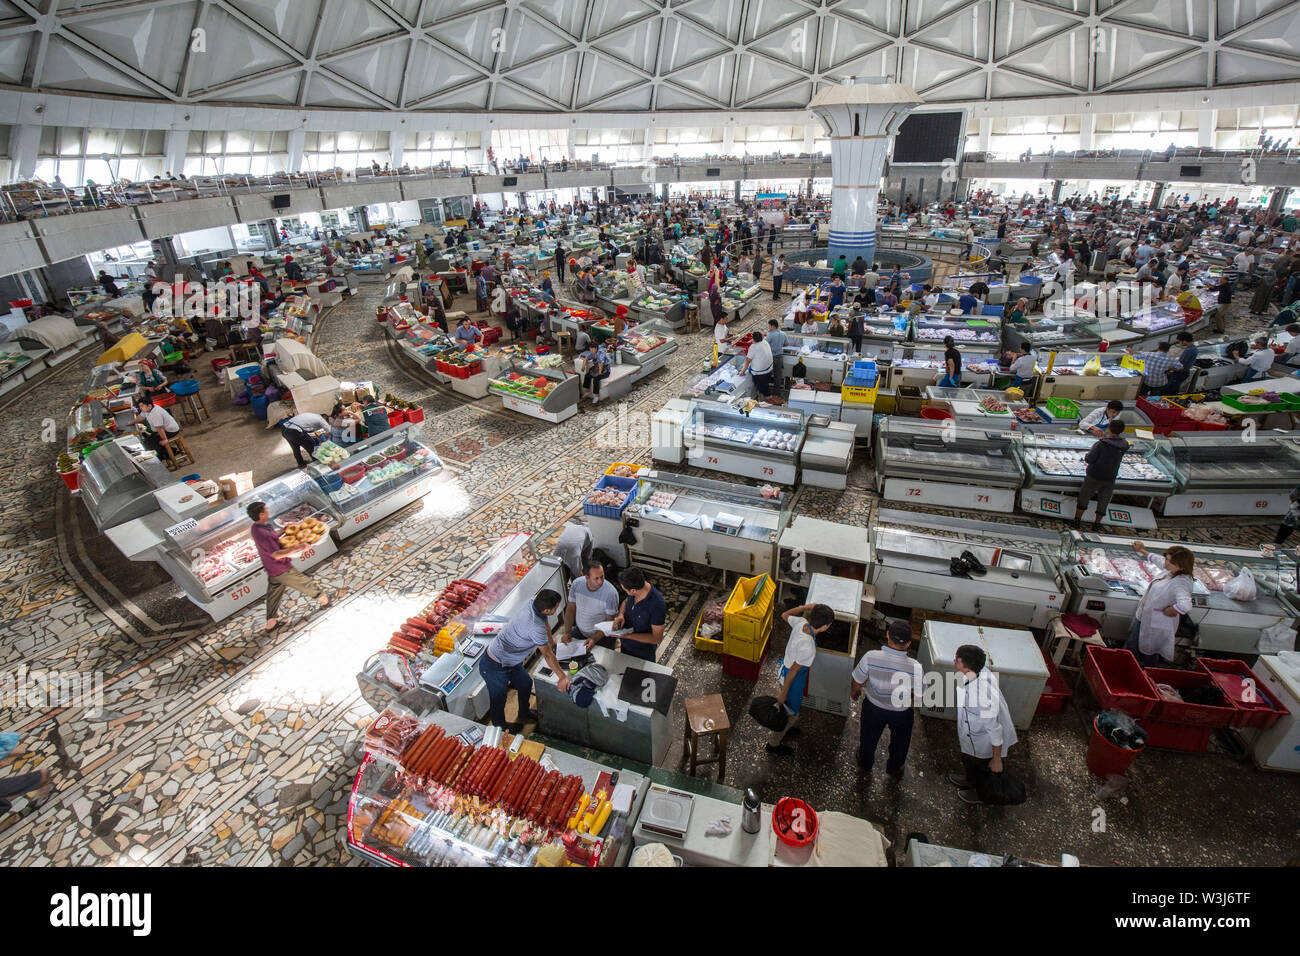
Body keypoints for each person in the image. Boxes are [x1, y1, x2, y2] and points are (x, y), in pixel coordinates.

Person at [479, 589, 567, 732]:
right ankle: (500, 728)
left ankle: (524, 712)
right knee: (498, 698)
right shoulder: (535, 626)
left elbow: (545, 621)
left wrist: (551, 641)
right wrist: (562, 677)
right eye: (556, 607)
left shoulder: (534, 602)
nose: (557, 608)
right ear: (546, 610)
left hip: (512, 660)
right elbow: (547, 655)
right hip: (495, 663)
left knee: (525, 683)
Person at [851, 620, 924, 777]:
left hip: (873, 707)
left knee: (868, 737)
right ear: (909, 643)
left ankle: (865, 763)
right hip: (901, 712)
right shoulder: (916, 667)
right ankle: (895, 768)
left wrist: (855, 692)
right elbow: (919, 696)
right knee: (900, 742)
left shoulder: (870, 656)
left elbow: (857, 681)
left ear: (887, 635)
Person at [948, 644, 1018, 806]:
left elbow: (994, 730)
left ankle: (980, 793)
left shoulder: (983, 695)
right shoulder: (977, 671)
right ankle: (969, 780)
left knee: (981, 767)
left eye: (957, 660)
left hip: (983, 740)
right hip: (971, 734)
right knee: (969, 761)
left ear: (967, 666)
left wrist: (996, 759)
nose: (954, 661)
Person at [248, 500, 331, 633]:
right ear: (261, 514)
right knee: (303, 582)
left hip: (271, 568)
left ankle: (271, 623)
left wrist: (283, 530)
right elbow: (276, 554)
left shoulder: (257, 528)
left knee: (274, 594)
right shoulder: (263, 534)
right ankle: (324, 599)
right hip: (280, 568)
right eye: (266, 510)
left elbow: (273, 537)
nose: (268, 511)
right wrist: (299, 547)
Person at [765, 602, 835, 756]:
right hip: (792, 679)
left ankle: (785, 728)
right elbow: (794, 671)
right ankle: (773, 744)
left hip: (785, 669)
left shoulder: (801, 622)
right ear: (825, 627)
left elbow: (784, 615)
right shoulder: (808, 647)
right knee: (792, 714)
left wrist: (804, 607)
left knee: (787, 709)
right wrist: (783, 693)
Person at [1125, 541, 1194, 667]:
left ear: (1181, 566)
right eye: (1167, 559)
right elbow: (1159, 560)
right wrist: (1142, 551)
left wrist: (1171, 610)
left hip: (1156, 621)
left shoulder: (1181, 582)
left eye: (1170, 562)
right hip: (1145, 616)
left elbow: (1186, 605)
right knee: (1133, 644)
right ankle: (1130, 667)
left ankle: (1147, 673)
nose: (1166, 563)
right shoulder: (1171, 570)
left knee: (1150, 651)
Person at [1073, 420, 1129, 530]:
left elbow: (1089, 459)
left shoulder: (1102, 444)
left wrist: (1087, 456)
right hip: (1111, 477)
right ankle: (1097, 524)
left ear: (1109, 428)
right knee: (1104, 500)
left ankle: (1077, 521)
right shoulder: (1124, 444)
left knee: (1084, 497)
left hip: (1094, 475)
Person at [564, 560, 621, 651]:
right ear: (587, 577)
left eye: (602, 577)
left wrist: (594, 639)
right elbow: (570, 609)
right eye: (596, 578)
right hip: (580, 631)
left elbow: (609, 621)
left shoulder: (611, 593)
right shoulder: (576, 584)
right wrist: (567, 632)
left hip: (602, 636)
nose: (600, 581)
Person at [611, 568, 666, 662]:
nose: (626, 593)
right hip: (626, 647)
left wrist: (627, 636)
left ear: (633, 590)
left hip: (643, 653)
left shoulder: (657, 605)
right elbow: (626, 601)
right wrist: (621, 615)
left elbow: (657, 638)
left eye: (625, 590)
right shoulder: (636, 587)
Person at [742, 329, 774, 397]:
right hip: (769, 369)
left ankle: (767, 399)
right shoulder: (765, 342)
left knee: (763, 389)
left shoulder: (753, 347)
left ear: (753, 339)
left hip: (760, 373)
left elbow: (747, 360)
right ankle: (764, 396)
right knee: (765, 386)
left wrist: (742, 371)